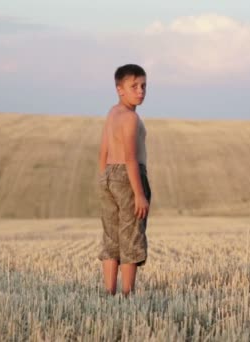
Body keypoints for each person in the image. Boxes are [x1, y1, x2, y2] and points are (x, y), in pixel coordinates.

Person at [96, 64, 152, 297]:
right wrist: (139, 194)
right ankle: (127, 295)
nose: (141, 91)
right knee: (131, 236)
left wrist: (103, 178)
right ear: (120, 89)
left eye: (144, 86)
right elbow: (130, 157)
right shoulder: (130, 118)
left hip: (108, 175)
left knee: (112, 236)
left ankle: (109, 292)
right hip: (129, 177)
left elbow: (104, 150)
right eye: (134, 86)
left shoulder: (112, 112)